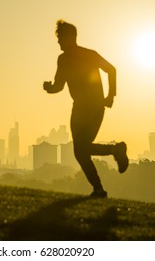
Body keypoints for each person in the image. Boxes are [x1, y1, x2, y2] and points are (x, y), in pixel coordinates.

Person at [43, 20, 128, 198]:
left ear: (69, 37)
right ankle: (102, 181)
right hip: (89, 107)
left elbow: (111, 70)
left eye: (59, 38)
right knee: (81, 150)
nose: (58, 42)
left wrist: (111, 95)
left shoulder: (73, 57)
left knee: (80, 150)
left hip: (88, 108)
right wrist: (110, 96)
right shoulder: (76, 57)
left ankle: (100, 185)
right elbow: (111, 70)